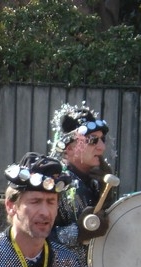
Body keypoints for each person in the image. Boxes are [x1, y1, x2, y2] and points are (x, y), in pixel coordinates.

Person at [49, 102, 115, 256]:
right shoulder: (51, 182)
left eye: (102, 139)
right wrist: (78, 232)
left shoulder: (96, 180)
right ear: (69, 147)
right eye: (92, 140)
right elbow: (35, 237)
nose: (102, 147)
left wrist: (107, 194)